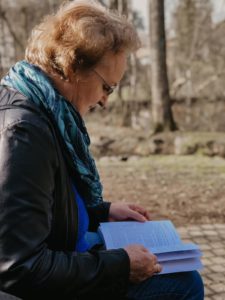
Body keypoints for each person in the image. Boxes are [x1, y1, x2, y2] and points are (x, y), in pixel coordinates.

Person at [0, 1, 204, 299]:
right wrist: (121, 265)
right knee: (183, 284)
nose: (106, 100)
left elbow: (45, 202)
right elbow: (20, 267)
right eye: (107, 87)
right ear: (73, 67)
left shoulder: (47, 111)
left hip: (69, 250)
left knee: (181, 273)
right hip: (42, 282)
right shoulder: (23, 134)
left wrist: (102, 212)